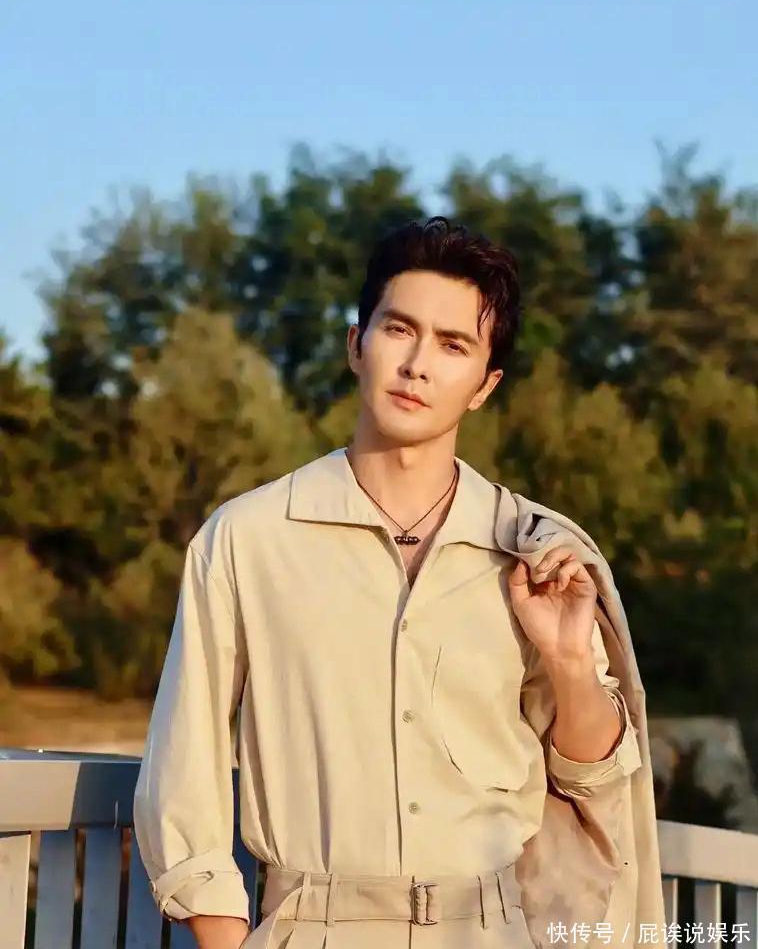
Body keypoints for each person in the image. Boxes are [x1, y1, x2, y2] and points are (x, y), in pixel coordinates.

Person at [133, 216, 664, 949]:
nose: (417, 365)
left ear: (484, 386)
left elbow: (594, 781)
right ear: (357, 345)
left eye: (454, 346)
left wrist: (571, 660)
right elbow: (183, 774)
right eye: (399, 329)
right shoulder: (248, 539)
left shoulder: (531, 550)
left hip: (495, 929)